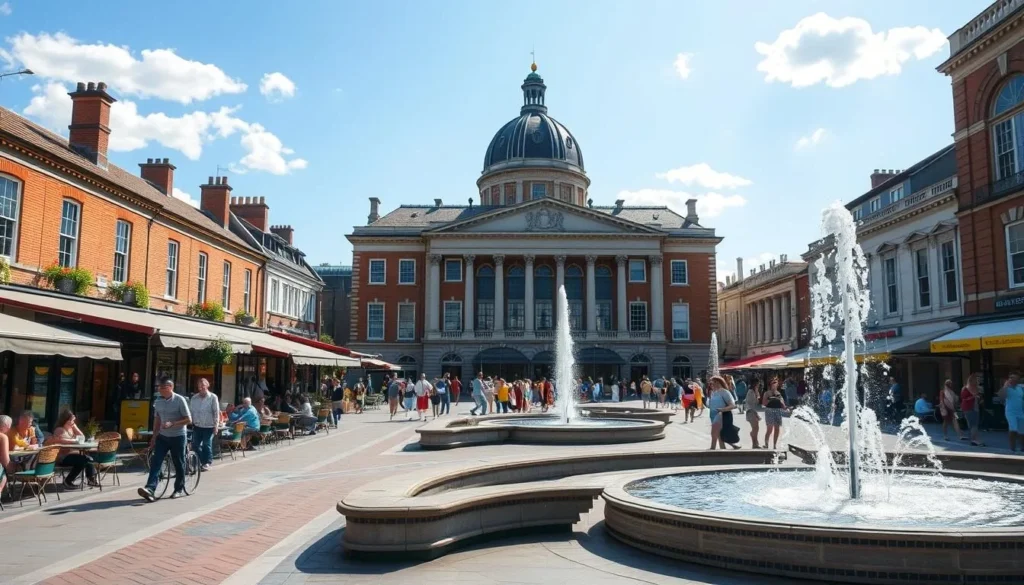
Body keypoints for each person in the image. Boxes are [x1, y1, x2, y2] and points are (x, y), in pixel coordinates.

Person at [138, 377, 192, 502]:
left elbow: (189, 420)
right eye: (159, 387)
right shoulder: (158, 401)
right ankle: (150, 488)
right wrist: (154, 437)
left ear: (171, 387)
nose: (160, 390)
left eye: (163, 388)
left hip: (178, 436)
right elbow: (157, 420)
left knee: (178, 462)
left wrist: (173, 423)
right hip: (163, 436)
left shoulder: (179, 400)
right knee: (156, 461)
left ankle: (178, 489)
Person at [50, 410, 100, 488]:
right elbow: (61, 441)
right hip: (62, 457)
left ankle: (91, 479)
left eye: (74, 421)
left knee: (88, 459)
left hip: (73, 454)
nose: (73, 422)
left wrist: (74, 427)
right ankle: (68, 481)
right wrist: (74, 441)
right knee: (83, 460)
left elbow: (82, 437)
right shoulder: (59, 430)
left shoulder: (71, 429)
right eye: (71, 420)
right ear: (66, 420)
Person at [189, 378, 220, 472]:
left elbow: (216, 412)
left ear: (207, 386)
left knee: (206, 444)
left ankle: (207, 462)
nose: (201, 387)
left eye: (203, 385)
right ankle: (202, 461)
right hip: (197, 425)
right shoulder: (194, 398)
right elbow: (191, 411)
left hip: (209, 426)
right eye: (199, 386)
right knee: (195, 445)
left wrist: (216, 425)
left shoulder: (213, 397)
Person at [708, 376, 740, 450]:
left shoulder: (724, 392)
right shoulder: (713, 392)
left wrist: (722, 410)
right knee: (719, 435)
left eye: (713, 382)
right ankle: (725, 450)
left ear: (718, 382)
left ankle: (712, 450)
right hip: (713, 415)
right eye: (711, 383)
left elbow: (733, 405)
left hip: (721, 415)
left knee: (714, 434)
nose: (711, 384)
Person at [761, 377, 788, 450]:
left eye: (776, 382)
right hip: (769, 411)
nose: (775, 384)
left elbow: (783, 405)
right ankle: (766, 444)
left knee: (777, 429)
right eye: (773, 382)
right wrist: (770, 399)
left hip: (777, 411)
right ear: (770, 384)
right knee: (769, 429)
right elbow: (763, 403)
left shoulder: (779, 393)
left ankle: (774, 445)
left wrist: (786, 408)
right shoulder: (767, 393)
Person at [999, 372, 1024, 452]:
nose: (1013, 379)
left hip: (1020, 412)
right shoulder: (1007, 388)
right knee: (1013, 429)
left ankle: (1022, 448)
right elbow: (1001, 397)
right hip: (1010, 412)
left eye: (1015, 378)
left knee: (1022, 431)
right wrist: (1005, 387)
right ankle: (1012, 448)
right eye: (1011, 378)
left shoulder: (1020, 388)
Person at [961, 374, 985, 446]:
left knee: (974, 424)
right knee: (973, 424)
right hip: (968, 408)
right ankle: (974, 440)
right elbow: (964, 398)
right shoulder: (965, 388)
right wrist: (973, 396)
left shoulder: (976, 388)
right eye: (976, 380)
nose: (977, 381)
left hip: (975, 407)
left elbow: (979, 397)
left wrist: (979, 398)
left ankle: (974, 439)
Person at [745, 378, 762, 448]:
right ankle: (754, 443)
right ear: (755, 384)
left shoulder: (755, 391)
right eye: (758, 383)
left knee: (756, 428)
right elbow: (750, 403)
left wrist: (757, 394)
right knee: (755, 428)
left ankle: (755, 443)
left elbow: (757, 402)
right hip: (750, 412)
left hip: (753, 411)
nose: (759, 385)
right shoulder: (751, 392)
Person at [0, 415, 12, 498]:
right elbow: (5, 460)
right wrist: (12, 470)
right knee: (4, 477)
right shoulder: (3, 437)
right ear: (6, 425)